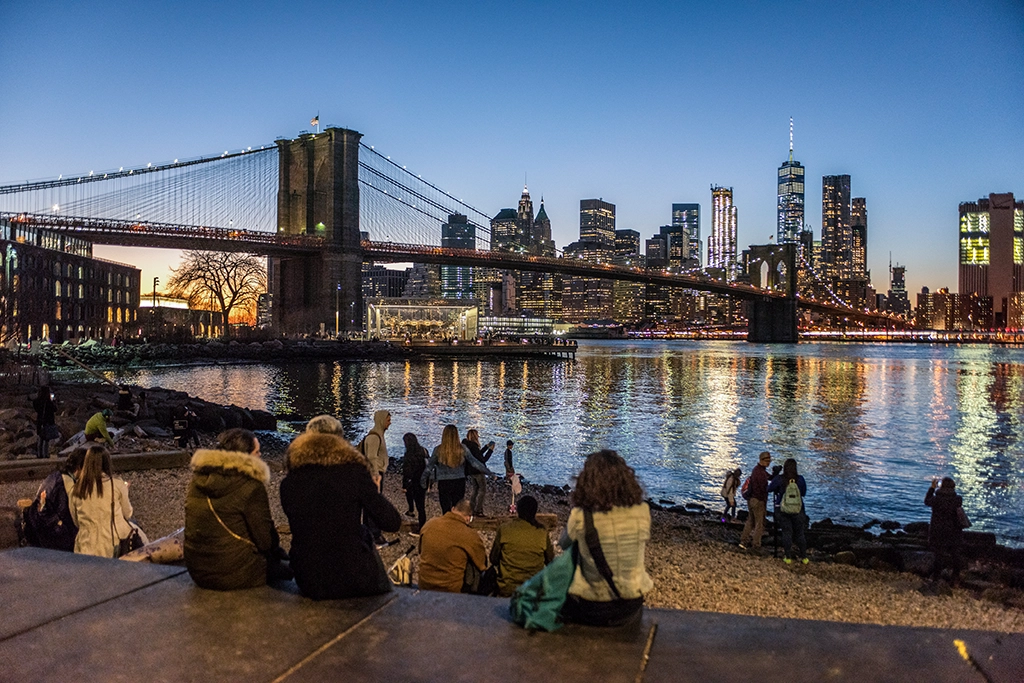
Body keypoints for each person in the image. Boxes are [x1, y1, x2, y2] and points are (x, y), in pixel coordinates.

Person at [280, 431, 401, 600]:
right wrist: (374, 492)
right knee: (363, 534)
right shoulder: (354, 474)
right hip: (350, 575)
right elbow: (391, 522)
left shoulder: (288, 484)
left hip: (308, 576)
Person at [184, 428, 289, 590]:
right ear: (245, 457)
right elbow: (265, 541)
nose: (260, 457)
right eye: (257, 452)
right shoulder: (250, 485)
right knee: (287, 570)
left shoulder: (199, 479)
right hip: (233, 573)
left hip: (198, 570)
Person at [560, 450, 653, 627]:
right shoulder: (642, 511)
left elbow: (564, 544)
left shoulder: (581, 516)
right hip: (631, 602)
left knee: (577, 546)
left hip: (592, 605)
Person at [69, 446, 136, 558]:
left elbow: (75, 520)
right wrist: (125, 492)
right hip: (110, 541)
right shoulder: (117, 485)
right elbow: (128, 514)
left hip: (84, 543)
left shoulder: (76, 489)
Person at [422, 425, 499, 515]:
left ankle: (447, 527)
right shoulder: (462, 449)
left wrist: (423, 481)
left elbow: (429, 467)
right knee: (458, 509)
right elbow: (475, 463)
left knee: (446, 511)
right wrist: (489, 473)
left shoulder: (438, 450)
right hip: (459, 482)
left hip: (444, 483)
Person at [418, 499, 487, 593]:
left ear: (453, 509)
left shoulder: (429, 524)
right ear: (468, 518)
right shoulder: (470, 535)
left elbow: (420, 550)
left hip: (424, 583)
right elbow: (482, 563)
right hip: (451, 589)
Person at [490, 495, 554, 597]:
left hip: (507, 587)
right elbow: (550, 560)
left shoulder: (504, 529)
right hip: (532, 589)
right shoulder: (541, 532)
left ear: (518, 510)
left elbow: (493, 559)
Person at [23, 449, 86, 551]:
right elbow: (42, 509)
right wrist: (60, 525)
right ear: (79, 467)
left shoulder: (60, 478)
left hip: (53, 532)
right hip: (52, 536)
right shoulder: (60, 483)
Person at [925, 477, 965, 585]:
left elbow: (926, 501)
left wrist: (932, 488)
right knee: (955, 554)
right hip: (954, 530)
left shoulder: (936, 499)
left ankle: (936, 577)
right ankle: (955, 576)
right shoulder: (958, 499)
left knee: (939, 554)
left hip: (938, 530)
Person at [767, 458, 808, 564]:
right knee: (800, 533)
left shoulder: (780, 479)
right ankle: (804, 557)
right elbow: (803, 493)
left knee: (787, 532)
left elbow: (769, 489)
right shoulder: (800, 479)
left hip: (782, 509)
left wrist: (775, 476)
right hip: (798, 509)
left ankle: (788, 557)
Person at [361, 410, 392, 545]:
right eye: (388, 420)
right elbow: (372, 458)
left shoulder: (378, 435)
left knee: (370, 503)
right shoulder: (374, 437)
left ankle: (367, 531)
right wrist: (376, 477)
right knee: (374, 502)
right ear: (381, 420)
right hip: (375, 475)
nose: (390, 422)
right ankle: (375, 534)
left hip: (376, 473)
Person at [739, 451, 771, 550]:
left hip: (751, 499)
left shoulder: (757, 470)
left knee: (751, 521)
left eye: (769, 461)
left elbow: (769, 477)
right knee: (759, 524)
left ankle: (743, 541)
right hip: (758, 500)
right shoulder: (761, 473)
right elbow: (763, 489)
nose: (769, 462)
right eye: (767, 461)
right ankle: (756, 544)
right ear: (761, 460)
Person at [463, 429, 494, 517]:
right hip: (478, 471)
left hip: (470, 471)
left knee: (475, 489)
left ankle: (472, 508)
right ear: (475, 436)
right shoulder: (474, 446)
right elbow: (482, 460)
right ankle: (478, 510)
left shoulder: (467, 446)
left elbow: (477, 455)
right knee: (482, 490)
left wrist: (486, 447)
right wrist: (490, 451)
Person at [401, 432, 429, 531]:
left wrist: (404, 485)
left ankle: (411, 511)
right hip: (422, 480)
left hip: (413, 481)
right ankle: (422, 524)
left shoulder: (408, 455)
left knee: (410, 496)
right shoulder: (424, 451)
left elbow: (407, 472)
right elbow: (428, 465)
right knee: (421, 505)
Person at [32, 384, 59, 459]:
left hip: (40, 420)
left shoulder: (37, 401)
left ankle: (39, 454)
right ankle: (45, 454)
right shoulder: (48, 402)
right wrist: (53, 401)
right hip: (48, 421)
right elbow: (55, 409)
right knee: (46, 439)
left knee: (40, 438)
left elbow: (36, 407)